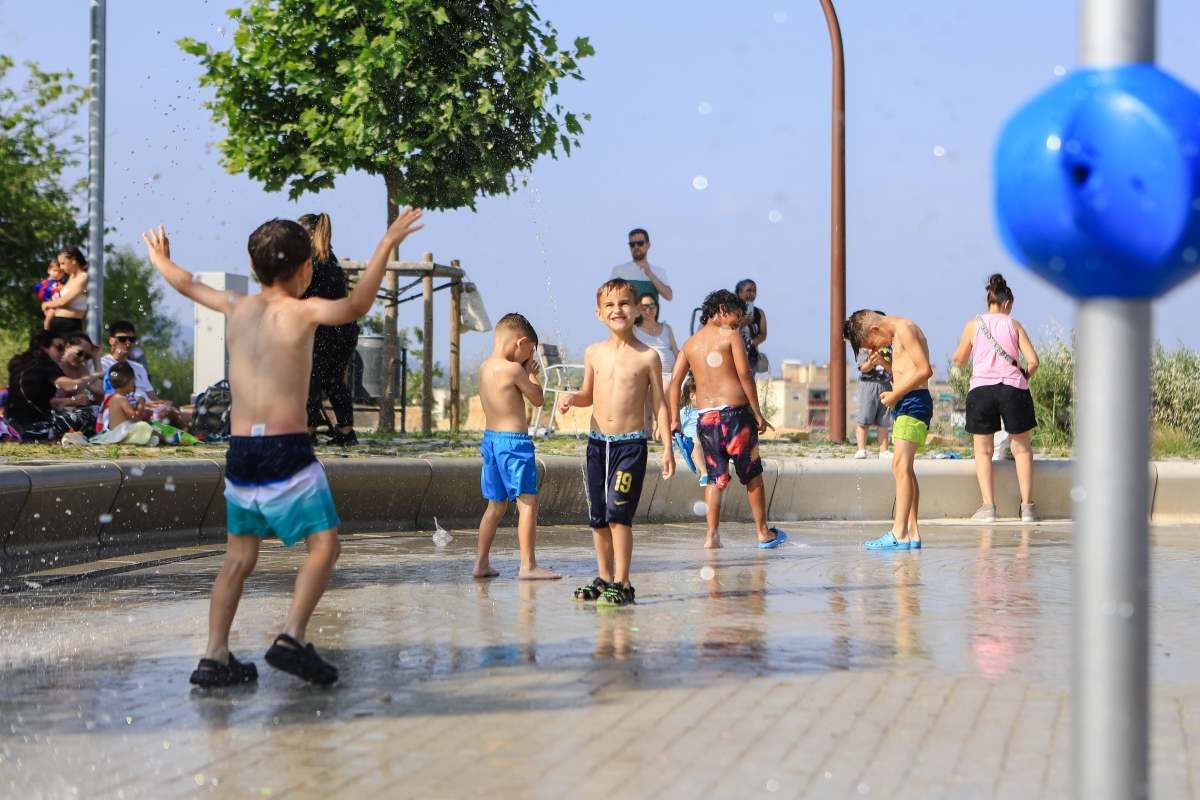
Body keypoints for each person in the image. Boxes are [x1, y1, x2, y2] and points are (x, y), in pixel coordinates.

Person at [143, 207, 424, 688]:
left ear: (254, 270)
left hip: (241, 452)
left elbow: (186, 282)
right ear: (304, 270)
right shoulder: (302, 309)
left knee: (239, 558)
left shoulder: (236, 304)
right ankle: (292, 635)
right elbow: (357, 305)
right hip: (286, 451)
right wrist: (385, 245)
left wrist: (160, 261)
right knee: (324, 546)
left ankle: (214, 656)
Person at [559, 278, 676, 607]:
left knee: (618, 514)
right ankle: (605, 577)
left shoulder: (647, 356)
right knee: (598, 515)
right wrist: (572, 399)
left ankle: (624, 583)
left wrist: (667, 447)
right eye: (609, 305)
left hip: (629, 448)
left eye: (624, 303)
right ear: (599, 313)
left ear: (638, 310)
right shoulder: (593, 353)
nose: (617, 310)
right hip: (598, 446)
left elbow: (661, 406)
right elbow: (587, 394)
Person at [670, 289, 785, 550]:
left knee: (715, 479)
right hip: (736, 417)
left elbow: (675, 382)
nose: (739, 321)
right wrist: (757, 413)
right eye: (737, 315)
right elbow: (745, 374)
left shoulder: (690, 344)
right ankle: (763, 532)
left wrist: (675, 418)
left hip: (706, 420)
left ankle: (711, 537)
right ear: (722, 309)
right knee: (753, 474)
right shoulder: (729, 335)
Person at [473, 313, 561, 581]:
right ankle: (528, 566)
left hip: (490, 441)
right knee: (528, 504)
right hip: (513, 444)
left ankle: (481, 564)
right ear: (520, 342)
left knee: (495, 507)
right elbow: (537, 399)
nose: (529, 356)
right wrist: (530, 374)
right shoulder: (513, 370)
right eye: (530, 350)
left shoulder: (484, 368)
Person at [952, 274, 1041, 523]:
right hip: (1013, 388)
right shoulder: (1014, 325)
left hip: (981, 389)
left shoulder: (973, 325)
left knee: (983, 451)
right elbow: (1033, 362)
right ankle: (1028, 510)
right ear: (1007, 304)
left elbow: (959, 360)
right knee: (1022, 450)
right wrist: (1021, 378)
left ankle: (989, 509)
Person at [844, 310, 934, 549]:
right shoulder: (901, 333)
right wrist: (884, 363)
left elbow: (925, 370)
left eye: (872, 343)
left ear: (875, 329)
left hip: (913, 402)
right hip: (909, 401)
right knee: (906, 469)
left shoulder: (904, 329)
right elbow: (905, 371)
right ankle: (912, 532)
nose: (879, 346)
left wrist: (895, 394)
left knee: (900, 466)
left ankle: (899, 533)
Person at [298, 213, 360, 446]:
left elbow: (299, 294)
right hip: (345, 329)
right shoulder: (330, 259)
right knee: (333, 380)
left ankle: (307, 433)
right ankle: (346, 432)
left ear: (311, 234)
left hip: (326, 329)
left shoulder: (310, 261)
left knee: (311, 379)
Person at [4, 331, 94, 440]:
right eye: (59, 348)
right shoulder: (46, 364)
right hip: (36, 429)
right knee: (94, 411)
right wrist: (97, 375)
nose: (63, 352)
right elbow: (72, 386)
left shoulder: (21, 364)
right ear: (44, 348)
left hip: (14, 428)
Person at [99, 321, 186, 428]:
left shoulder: (139, 367)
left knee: (174, 413)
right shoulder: (104, 364)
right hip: (129, 410)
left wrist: (166, 406)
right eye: (122, 339)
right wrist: (140, 406)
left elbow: (152, 395)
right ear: (111, 340)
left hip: (148, 409)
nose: (127, 343)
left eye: (131, 339)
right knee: (167, 415)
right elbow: (108, 396)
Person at [633, 292, 678, 434]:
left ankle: (670, 426)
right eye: (644, 306)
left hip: (669, 372)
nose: (649, 309)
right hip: (647, 374)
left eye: (652, 305)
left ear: (657, 308)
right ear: (638, 310)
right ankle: (662, 427)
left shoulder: (667, 328)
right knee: (664, 387)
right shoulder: (634, 330)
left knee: (678, 384)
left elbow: (676, 351)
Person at [854, 312, 893, 460]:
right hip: (868, 385)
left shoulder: (889, 347)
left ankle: (883, 451)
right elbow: (863, 368)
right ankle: (861, 449)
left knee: (883, 421)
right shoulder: (864, 346)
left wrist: (883, 362)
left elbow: (892, 368)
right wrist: (871, 361)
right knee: (864, 419)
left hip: (885, 385)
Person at [610, 229, 673, 304]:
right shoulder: (619, 270)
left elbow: (669, 296)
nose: (636, 247)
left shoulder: (658, 272)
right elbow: (609, 296)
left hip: (648, 314)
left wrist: (650, 274)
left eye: (640, 243)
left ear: (648, 245)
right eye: (632, 244)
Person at [41, 247, 89, 335]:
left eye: (63, 263)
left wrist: (46, 304)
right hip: (59, 324)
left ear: (73, 260)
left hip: (70, 325)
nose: (61, 267)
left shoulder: (84, 277)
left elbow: (63, 301)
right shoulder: (71, 277)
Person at [734, 279, 768, 373]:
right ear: (740, 292)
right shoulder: (731, 311)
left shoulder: (758, 313)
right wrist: (743, 323)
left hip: (751, 357)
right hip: (733, 355)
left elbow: (763, 334)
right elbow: (725, 330)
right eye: (749, 291)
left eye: (754, 291)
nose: (752, 294)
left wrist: (751, 342)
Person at [101, 361, 145, 431]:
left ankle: (156, 438)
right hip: (120, 434)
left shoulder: (114, 397)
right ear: (130, 382)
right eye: (134, 380)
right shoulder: (122, 399)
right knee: (143, 426)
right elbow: (135, 418)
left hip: (116, 433)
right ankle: (164, 439)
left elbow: (125, 416)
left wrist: (134, 408)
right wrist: (141, 403)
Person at [35, 260, 64, 330]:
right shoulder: (45, 282)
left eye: (60, 272)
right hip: (50, 305)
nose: (57, 273)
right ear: (49, 270)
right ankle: (46, 330)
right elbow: (38, 291)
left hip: (60, 304)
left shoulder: (63, 282)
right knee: (50, 314)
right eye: (54, 270)